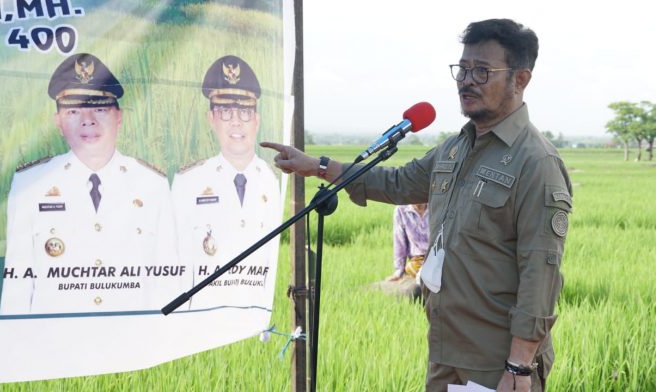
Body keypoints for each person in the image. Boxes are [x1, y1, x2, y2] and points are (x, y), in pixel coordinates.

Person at [262, 19, 572, 392]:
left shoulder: (536, 163)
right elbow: (397, 182)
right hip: (445, 350)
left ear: (520, 79)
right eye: (462, 68)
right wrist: (321, 167)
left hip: (496, 363)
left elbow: (541, 273)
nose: (466, 80)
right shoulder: (455, 148)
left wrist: (520, 366)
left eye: (482, 71)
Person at [0, 53, 178, 315]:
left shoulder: (152, 184)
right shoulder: (31, 184)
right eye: (73, 110)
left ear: (120, 117)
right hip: (53, 341)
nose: (88, 120)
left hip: (131, 338)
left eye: (99, 108)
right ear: (58, 122)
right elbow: (17, 280)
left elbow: (167, 277)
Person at [171, 55, 281, 309]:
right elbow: (177, 261)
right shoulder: (188, 182)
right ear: (211, 118)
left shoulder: (270, 179)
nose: (236, 121)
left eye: (244, 111)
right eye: (225, 111)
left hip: (256, 312)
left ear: (257, 119)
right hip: (202, 313)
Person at [388, 203, 430, 282]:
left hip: (437, 256)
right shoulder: (401, 210)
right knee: (411, 267)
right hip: (417, 260)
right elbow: (399, 242)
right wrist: (399, 271)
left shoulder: (436, 206)